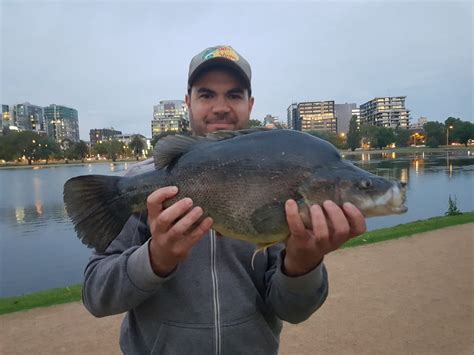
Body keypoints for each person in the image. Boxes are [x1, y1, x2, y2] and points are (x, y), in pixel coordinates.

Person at [82, 45, 367, 354]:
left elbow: (293, 311)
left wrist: (303, 264)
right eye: (206, 95)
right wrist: (156, 258)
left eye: (234, 95)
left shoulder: (283, 178)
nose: (220, 107)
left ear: (250, 103)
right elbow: (96, 296)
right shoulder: (138, 184)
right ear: (188, 102)